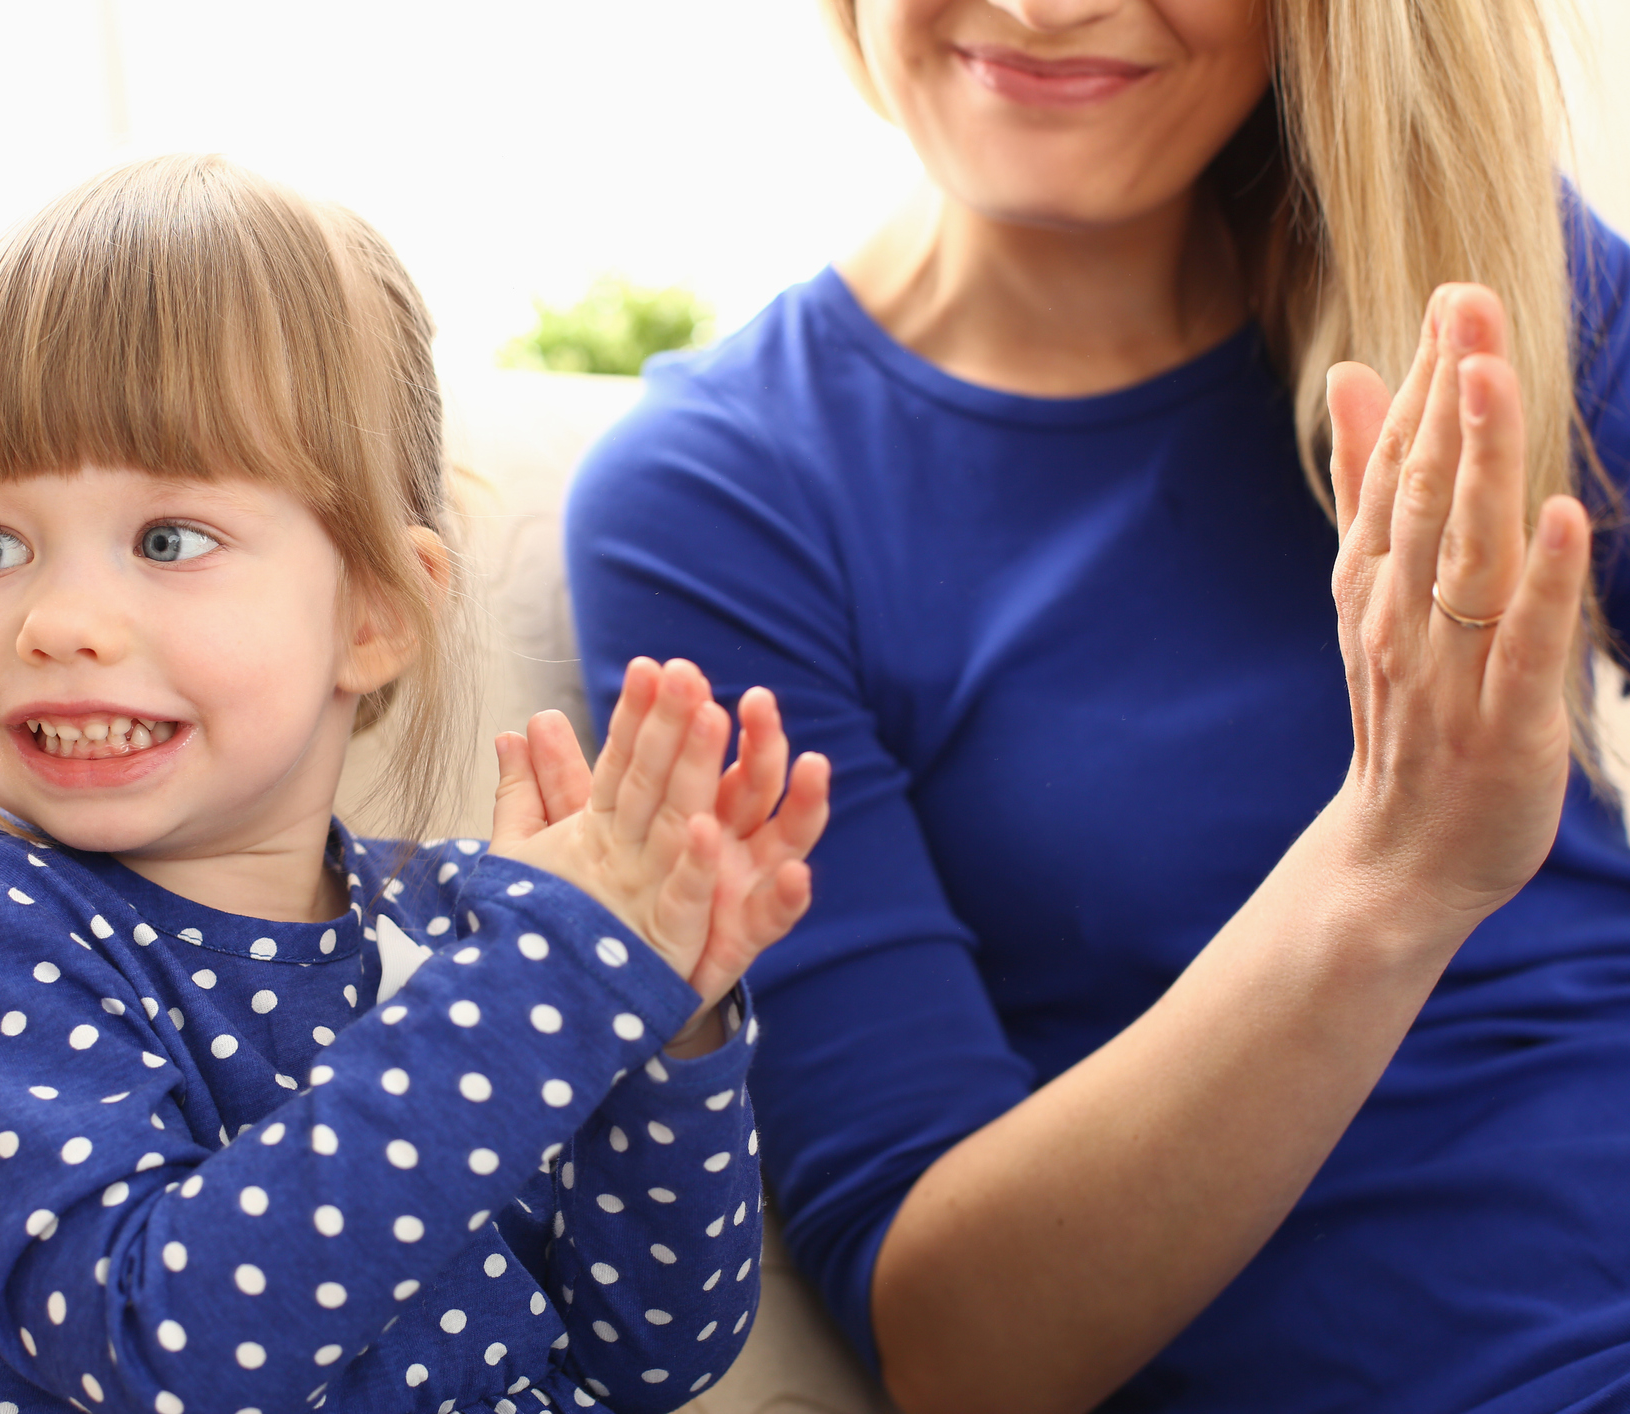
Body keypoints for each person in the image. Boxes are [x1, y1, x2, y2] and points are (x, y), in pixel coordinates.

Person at [564, 0, 1630, 1410]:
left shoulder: (1469, 268)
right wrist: (1395, 867)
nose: (1048, 6)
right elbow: (958, 1345)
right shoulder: (722, 496)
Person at [0, 154, 832, 1414]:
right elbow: (161, 1350)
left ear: (373, 611)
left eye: (167, 539)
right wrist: (541, 985)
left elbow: (647, 1357)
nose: (60, 620)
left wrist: (661, 1020)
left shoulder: (447, 929)